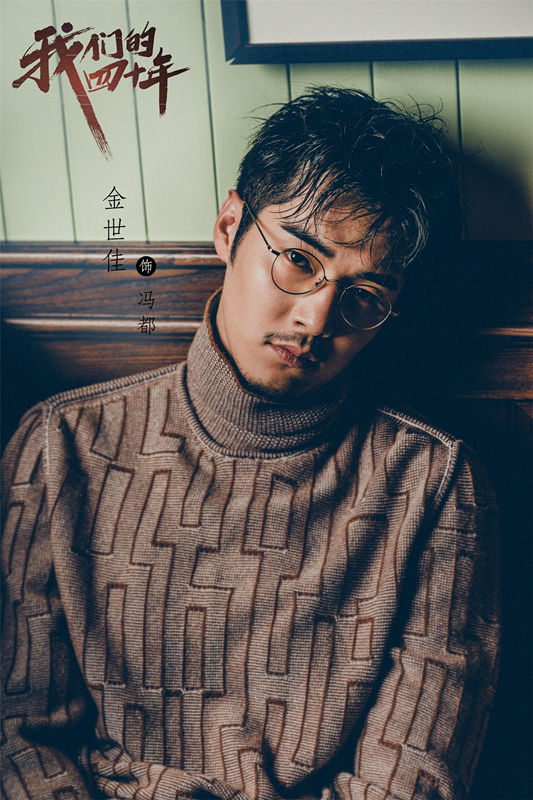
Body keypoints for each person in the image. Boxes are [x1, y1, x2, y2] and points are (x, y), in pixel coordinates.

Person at [1, 88, 499, 800]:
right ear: (230, 226)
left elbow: (412, 777)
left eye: (364, 296)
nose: (316, 318)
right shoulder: (60, 447)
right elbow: (17, 735)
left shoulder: (433, 481)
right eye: (297, 259)